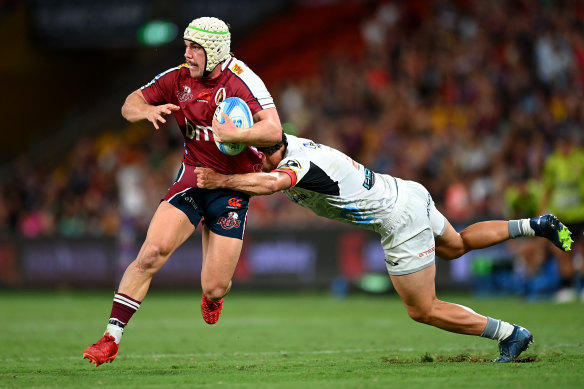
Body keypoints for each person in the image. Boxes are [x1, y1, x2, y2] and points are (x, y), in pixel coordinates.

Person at [194, 132, 573, 363]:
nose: (255, 162)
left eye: (256, 156)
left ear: (268, 151)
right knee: (454, 245)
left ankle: (510, 334)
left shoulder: (297, 162)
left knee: (422, 309)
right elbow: (266, 174)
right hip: (407, 191)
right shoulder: (287, 145)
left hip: (397, 217)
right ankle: (534, 224)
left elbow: (270, 184)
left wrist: (220, 178)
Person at [83, 16, 282, 366]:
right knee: (150, 253)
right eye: (186, 46)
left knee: (215, 286)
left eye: (194, 48)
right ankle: (111, 338)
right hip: (192, 177)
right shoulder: (178, 78)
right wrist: (147, 110)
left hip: (232, 186)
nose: (186, 53)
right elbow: (129, 103)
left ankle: (213, 296)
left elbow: (273, 133)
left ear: (215, 51)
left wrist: (236, 135)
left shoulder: (243, 81)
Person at [540, 130, 584, 302]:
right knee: (563, 251)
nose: (564, 147)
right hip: (561, 216)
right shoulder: (552, 162)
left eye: (567, 143)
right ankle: (566, 287)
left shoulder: (580, 159)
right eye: (561, 143)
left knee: (581, 251)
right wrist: (542, 210)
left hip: (580, 214)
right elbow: (548, 188)